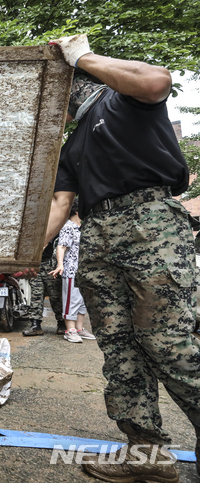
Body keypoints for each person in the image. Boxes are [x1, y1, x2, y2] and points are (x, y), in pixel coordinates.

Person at [46, 34, 200, 481]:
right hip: (97, 233)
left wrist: (83, 57)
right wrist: (27, 251)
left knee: (167, 344)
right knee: (120, 351)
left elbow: (156, 81)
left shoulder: (123, 99)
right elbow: (61, 203)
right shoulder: (72, 144)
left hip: (149, 221)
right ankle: (147, 455)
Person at [48, 198, 94, 343]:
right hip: (71, 269)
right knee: (71, 300)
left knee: (82, 301)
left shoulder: (84, 226)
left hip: (84, 270)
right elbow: (61, 247)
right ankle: (70, 330)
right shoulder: (68, 226)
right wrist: (60, 264)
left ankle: (79, 328)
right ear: (76, 210)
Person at [22, 233, 65, 336]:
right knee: (36, 295)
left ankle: (62, 323)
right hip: (36, 265)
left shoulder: (52, 226)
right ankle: (35, 325)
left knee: (55, 296)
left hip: (50, 264)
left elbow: (45, 243)